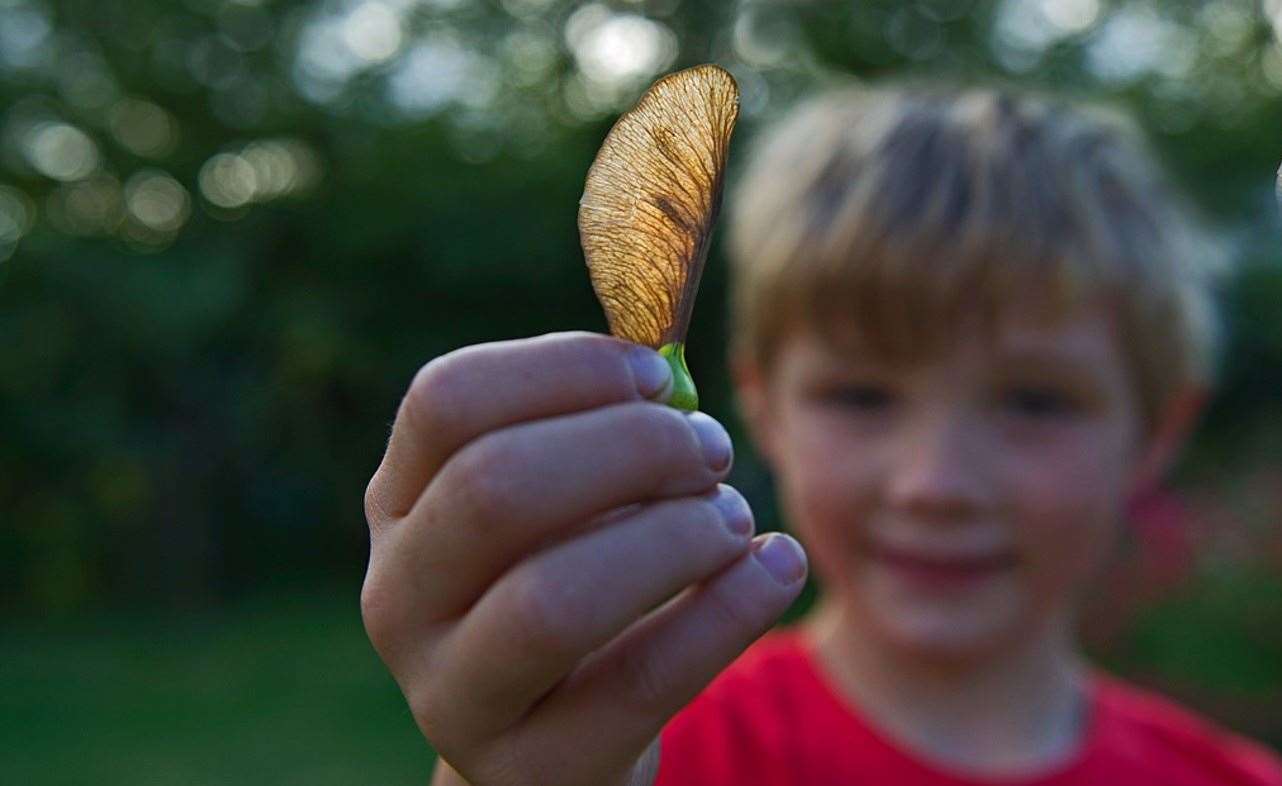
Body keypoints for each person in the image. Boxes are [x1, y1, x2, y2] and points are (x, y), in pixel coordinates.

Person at [359, 81, 1282, 786]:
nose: (934, 482)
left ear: (1156, 434)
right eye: (861, 396)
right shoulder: (653, 740)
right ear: (763, 405)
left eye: (1035, 403)